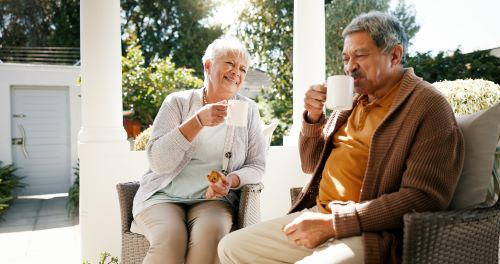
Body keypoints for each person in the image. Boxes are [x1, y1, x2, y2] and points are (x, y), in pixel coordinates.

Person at [218, 11, 464, 264]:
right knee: (231, 247)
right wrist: (313, 119)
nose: (349, 67)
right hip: (318, 215)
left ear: (394, 55)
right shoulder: (350, 103)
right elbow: (311, 164)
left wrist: (334, 224)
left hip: (372, 233)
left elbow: (423, 198)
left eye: (360, 55)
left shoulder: (427, 106)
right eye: (346, 58)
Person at [131, 37, 266, 264]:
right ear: (208, 65)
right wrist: (198, 121)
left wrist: (230, 180)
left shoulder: (249, 110)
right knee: (170, 239)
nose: (236, 72)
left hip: (213, 201)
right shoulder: (177, 103)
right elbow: (158, 162)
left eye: (242, 69)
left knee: (211, 239)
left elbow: (257, 165)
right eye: (230, 63)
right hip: (162, 196)